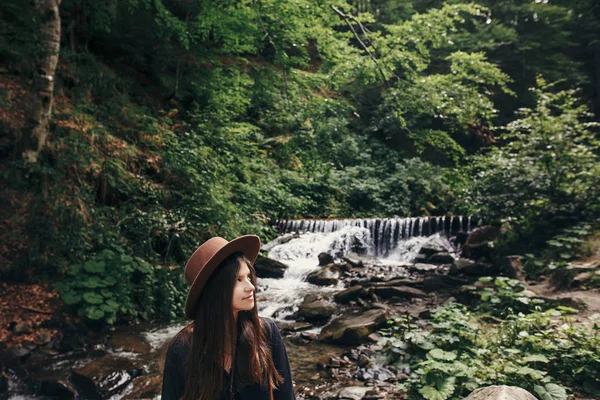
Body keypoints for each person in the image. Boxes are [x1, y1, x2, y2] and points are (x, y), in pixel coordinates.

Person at [160, 235, 296, 400]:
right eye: (238, 280)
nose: (251, 287)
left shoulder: (266, 333)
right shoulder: (183, 349)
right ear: (215, 289)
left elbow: (286, 396)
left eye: (248, 277)